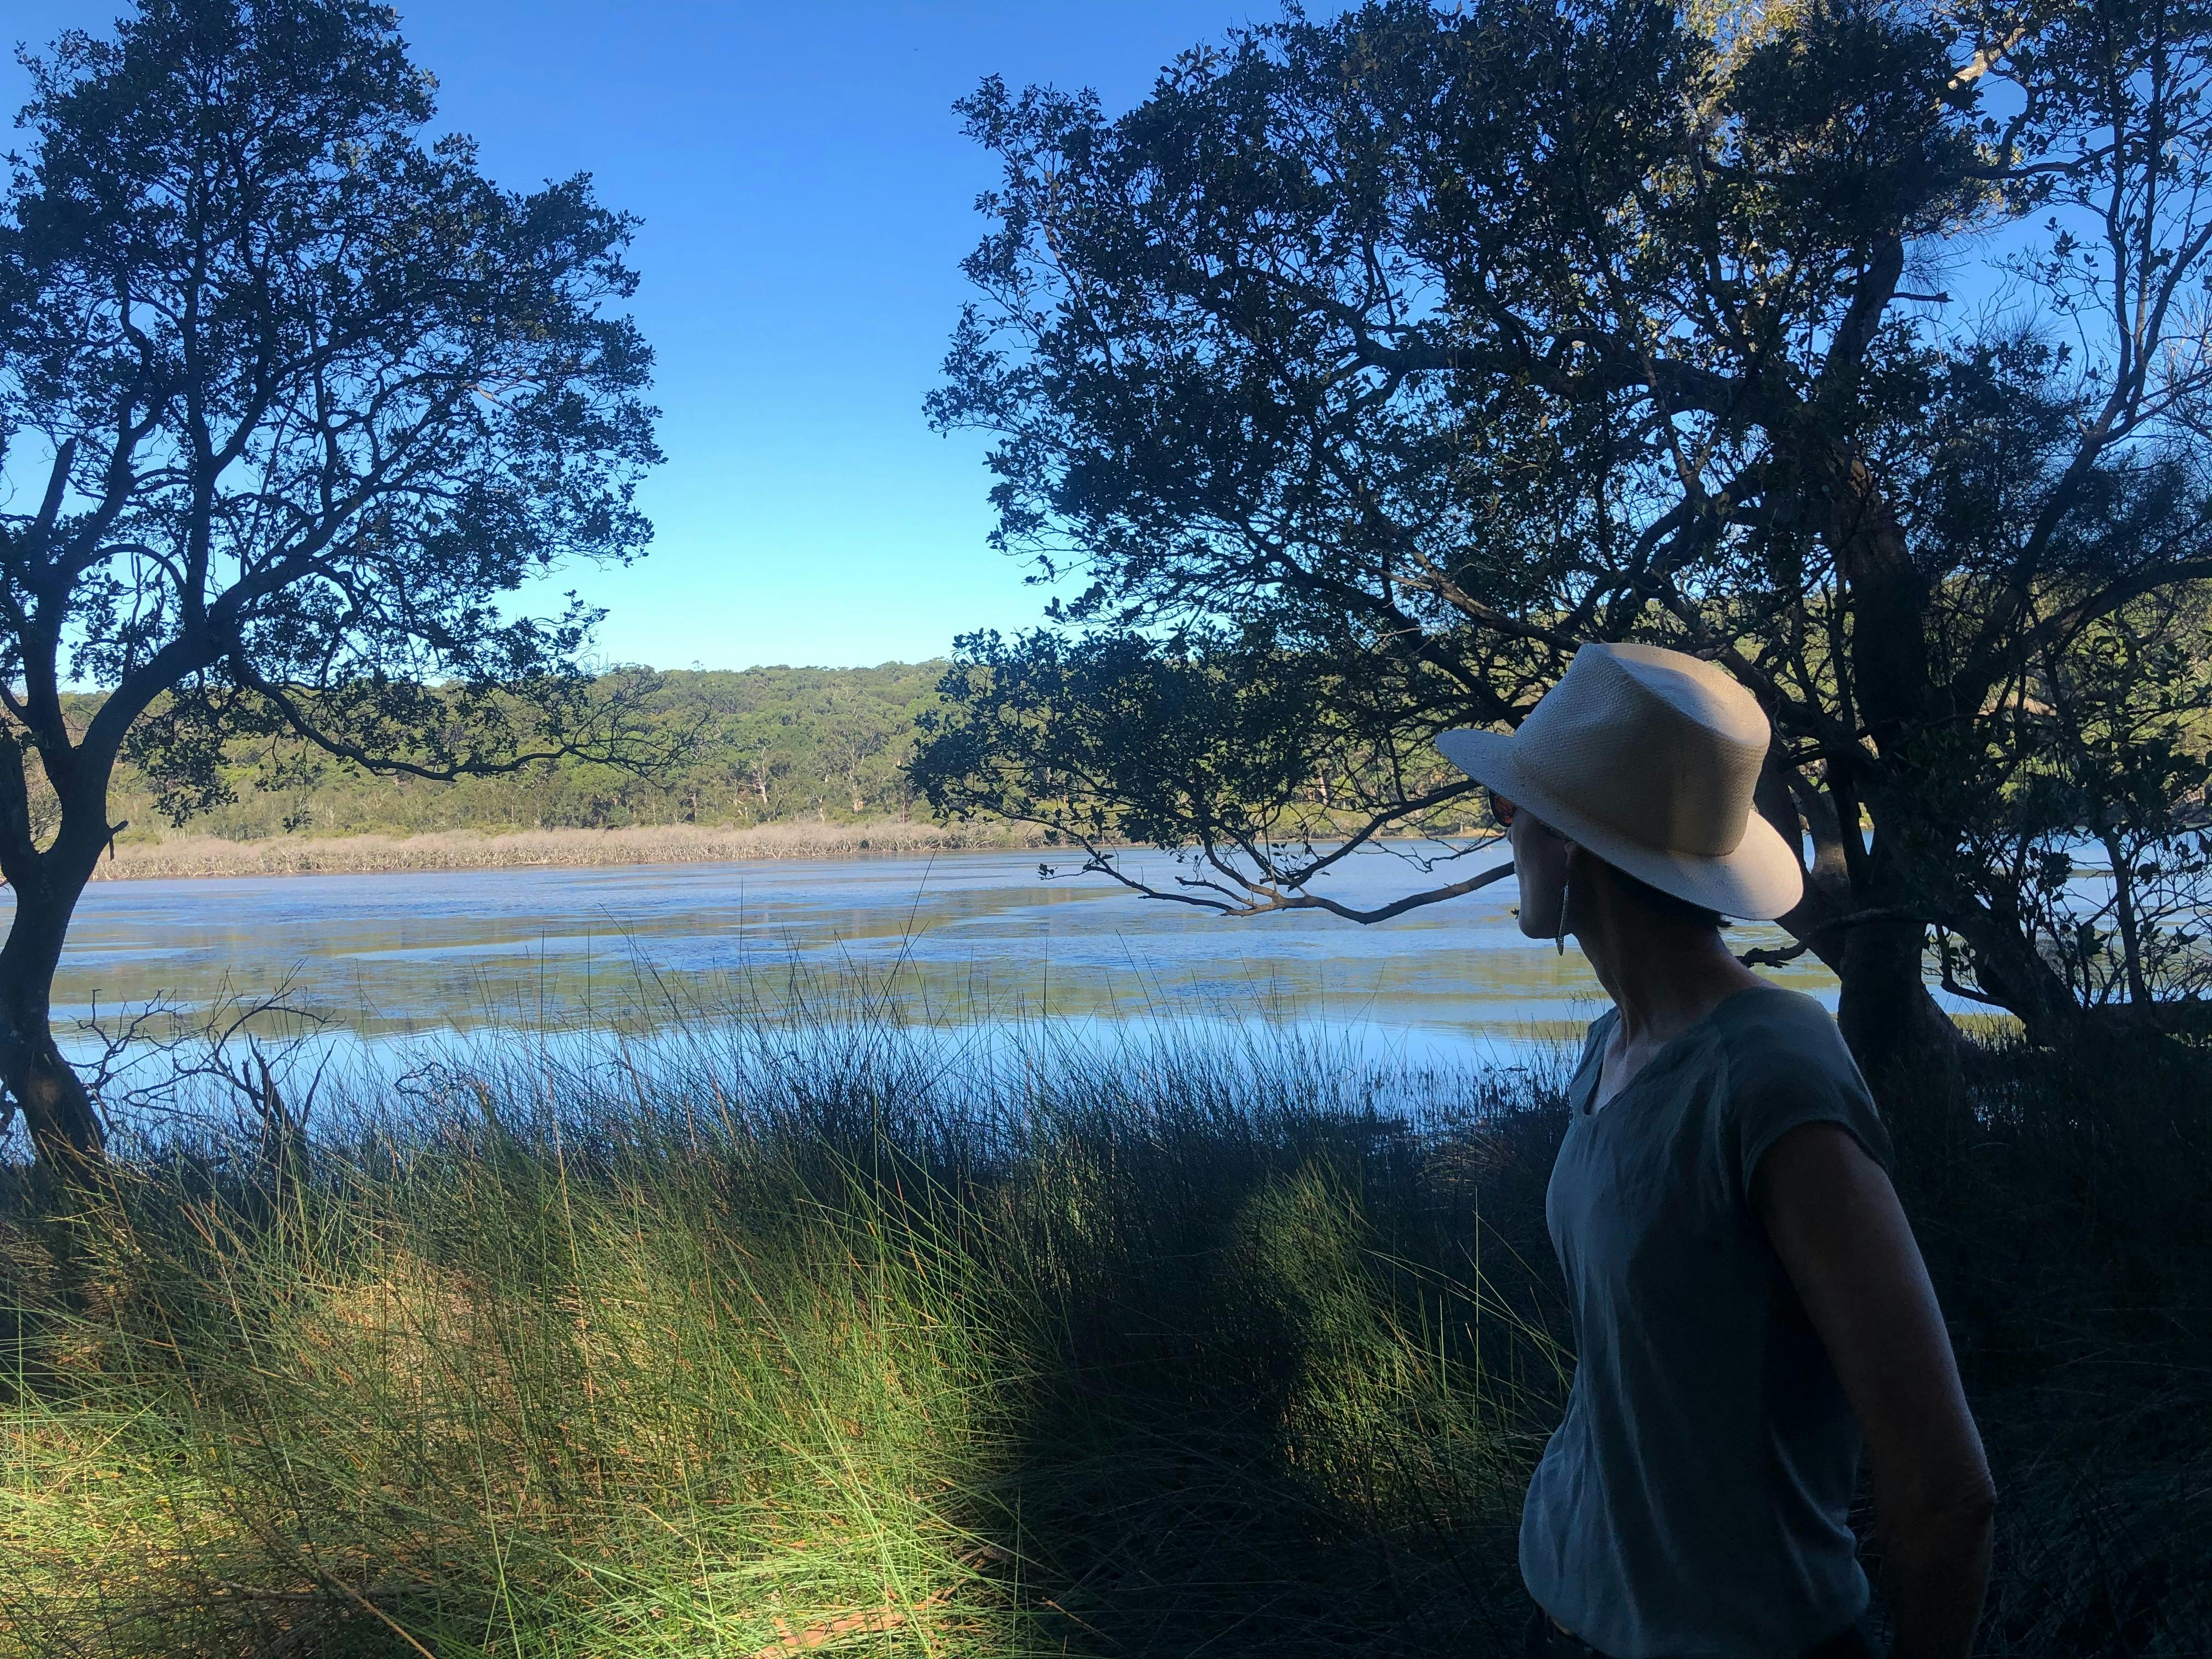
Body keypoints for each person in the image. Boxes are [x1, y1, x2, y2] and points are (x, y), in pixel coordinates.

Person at [1435, 644, 1995, 1659]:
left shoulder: (1772, 1071)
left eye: (1514, 808)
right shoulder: (1615, 1046)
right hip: (1570, 1610)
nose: (1501, 826)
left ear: (1575, 847)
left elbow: (1946, 1486)